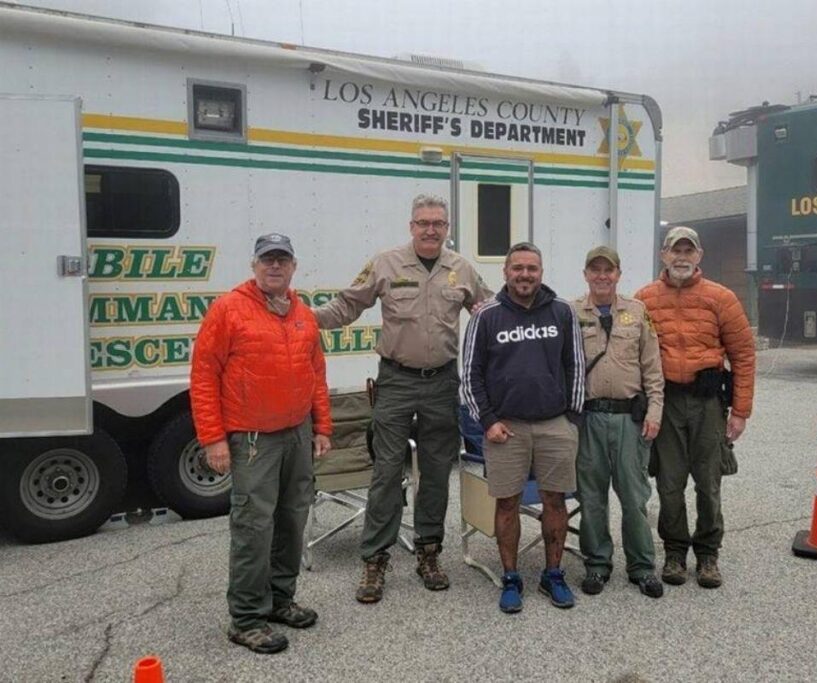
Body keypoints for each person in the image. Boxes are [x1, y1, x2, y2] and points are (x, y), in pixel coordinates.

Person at [314, 194, 492, 603]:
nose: (431, 230)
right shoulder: (386, 263)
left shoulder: (460, 269)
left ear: (447, 228)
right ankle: (375, 560)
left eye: (438, 223)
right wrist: (304, 318)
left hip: (442, 384)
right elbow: (347, 304)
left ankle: (429, 553)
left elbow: (488, 312)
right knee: (386, 471)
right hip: (395, 381)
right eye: (423, 222)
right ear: (411, 226)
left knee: (434, 473)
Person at [191, 233, 333, 654]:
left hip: (296, 434)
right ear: (254, 265)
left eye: (282, 260)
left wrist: (322, 427)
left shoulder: (303, 314)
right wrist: (213, 439)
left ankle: (280, 600)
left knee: (292, 521)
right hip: (252, 439)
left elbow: (316, 376)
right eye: (267, 260)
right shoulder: (228, 310)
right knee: (254, 527)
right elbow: (203, 377)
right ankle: (247, 618)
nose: (275, 267)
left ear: (293, 266)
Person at [461, 242, 585, 614]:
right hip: (506, 429)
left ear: (541, 272)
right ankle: (511, 577)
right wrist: (487, 421)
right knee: (507, 502)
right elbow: (470, 376)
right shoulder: (486, 316)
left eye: (532, 268)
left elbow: (575, 366)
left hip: (554, 425)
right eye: (518, 268)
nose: (525, 274)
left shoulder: (562, 312)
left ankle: (553, 574)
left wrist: (571, 420)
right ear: (506, 272)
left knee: (554, 500)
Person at [635, 226, 755, 589]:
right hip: (666, 402)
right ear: (663, 256)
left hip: (707, 405)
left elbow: (744, 355)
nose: (682, 257)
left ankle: (707, 554)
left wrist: (740, 411)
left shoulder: (721, 298)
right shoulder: (644, 300)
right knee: (669, 482)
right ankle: (674, 551)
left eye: (689, 250)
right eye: (675, 250)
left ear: (699, 256)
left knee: (708, 481)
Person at [572, 246, 665, 599]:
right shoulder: (571, 312)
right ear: (586, 274)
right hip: (589, 419)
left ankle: (642, 567)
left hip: (630, 419)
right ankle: (597, 564)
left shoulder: (638, 312)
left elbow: (653, 369)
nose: (601, 276)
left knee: (634, 496)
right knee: (592, 497)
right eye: (595, 270)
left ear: (618, 274)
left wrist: (655, 412)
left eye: (608, 270)